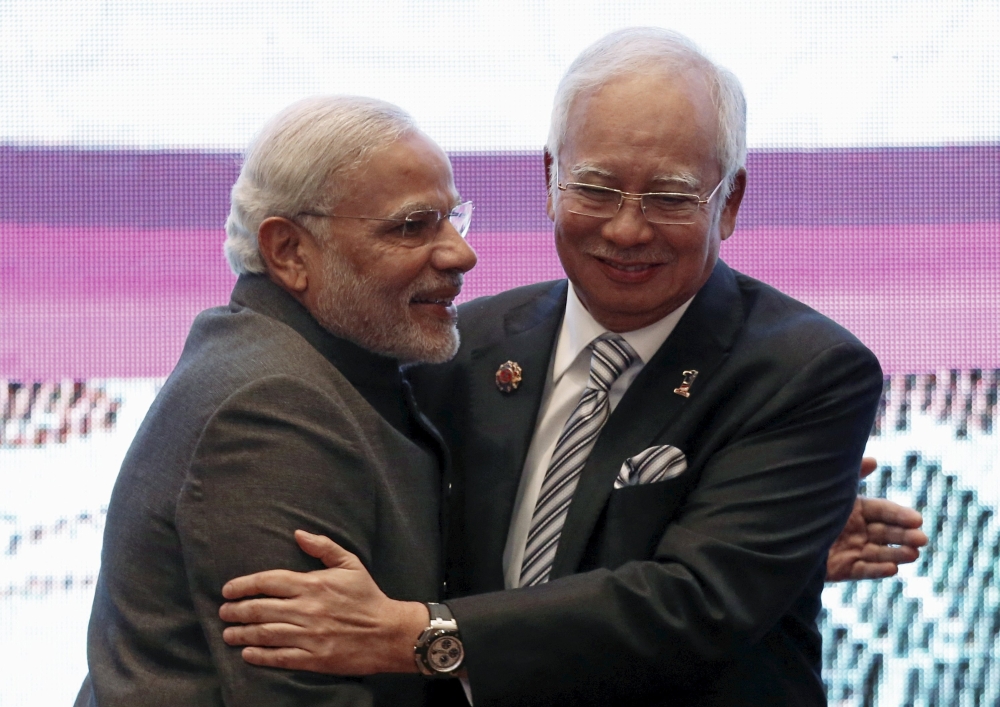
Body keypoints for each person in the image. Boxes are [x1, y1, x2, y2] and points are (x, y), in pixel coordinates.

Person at [219, 29, 928, 705]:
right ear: (551, 177)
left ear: (731, 200)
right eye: (595, 188)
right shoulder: (458, 344)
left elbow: (691, 602)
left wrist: (420, 636)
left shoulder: (807, 368)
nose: (626, 227)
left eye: (670, 197)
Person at [74, 95, 477, 707]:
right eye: (411, 227)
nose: (460, 254)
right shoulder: (273, 407)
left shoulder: (289, 357)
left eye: (453, 218)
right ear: (289, 252)